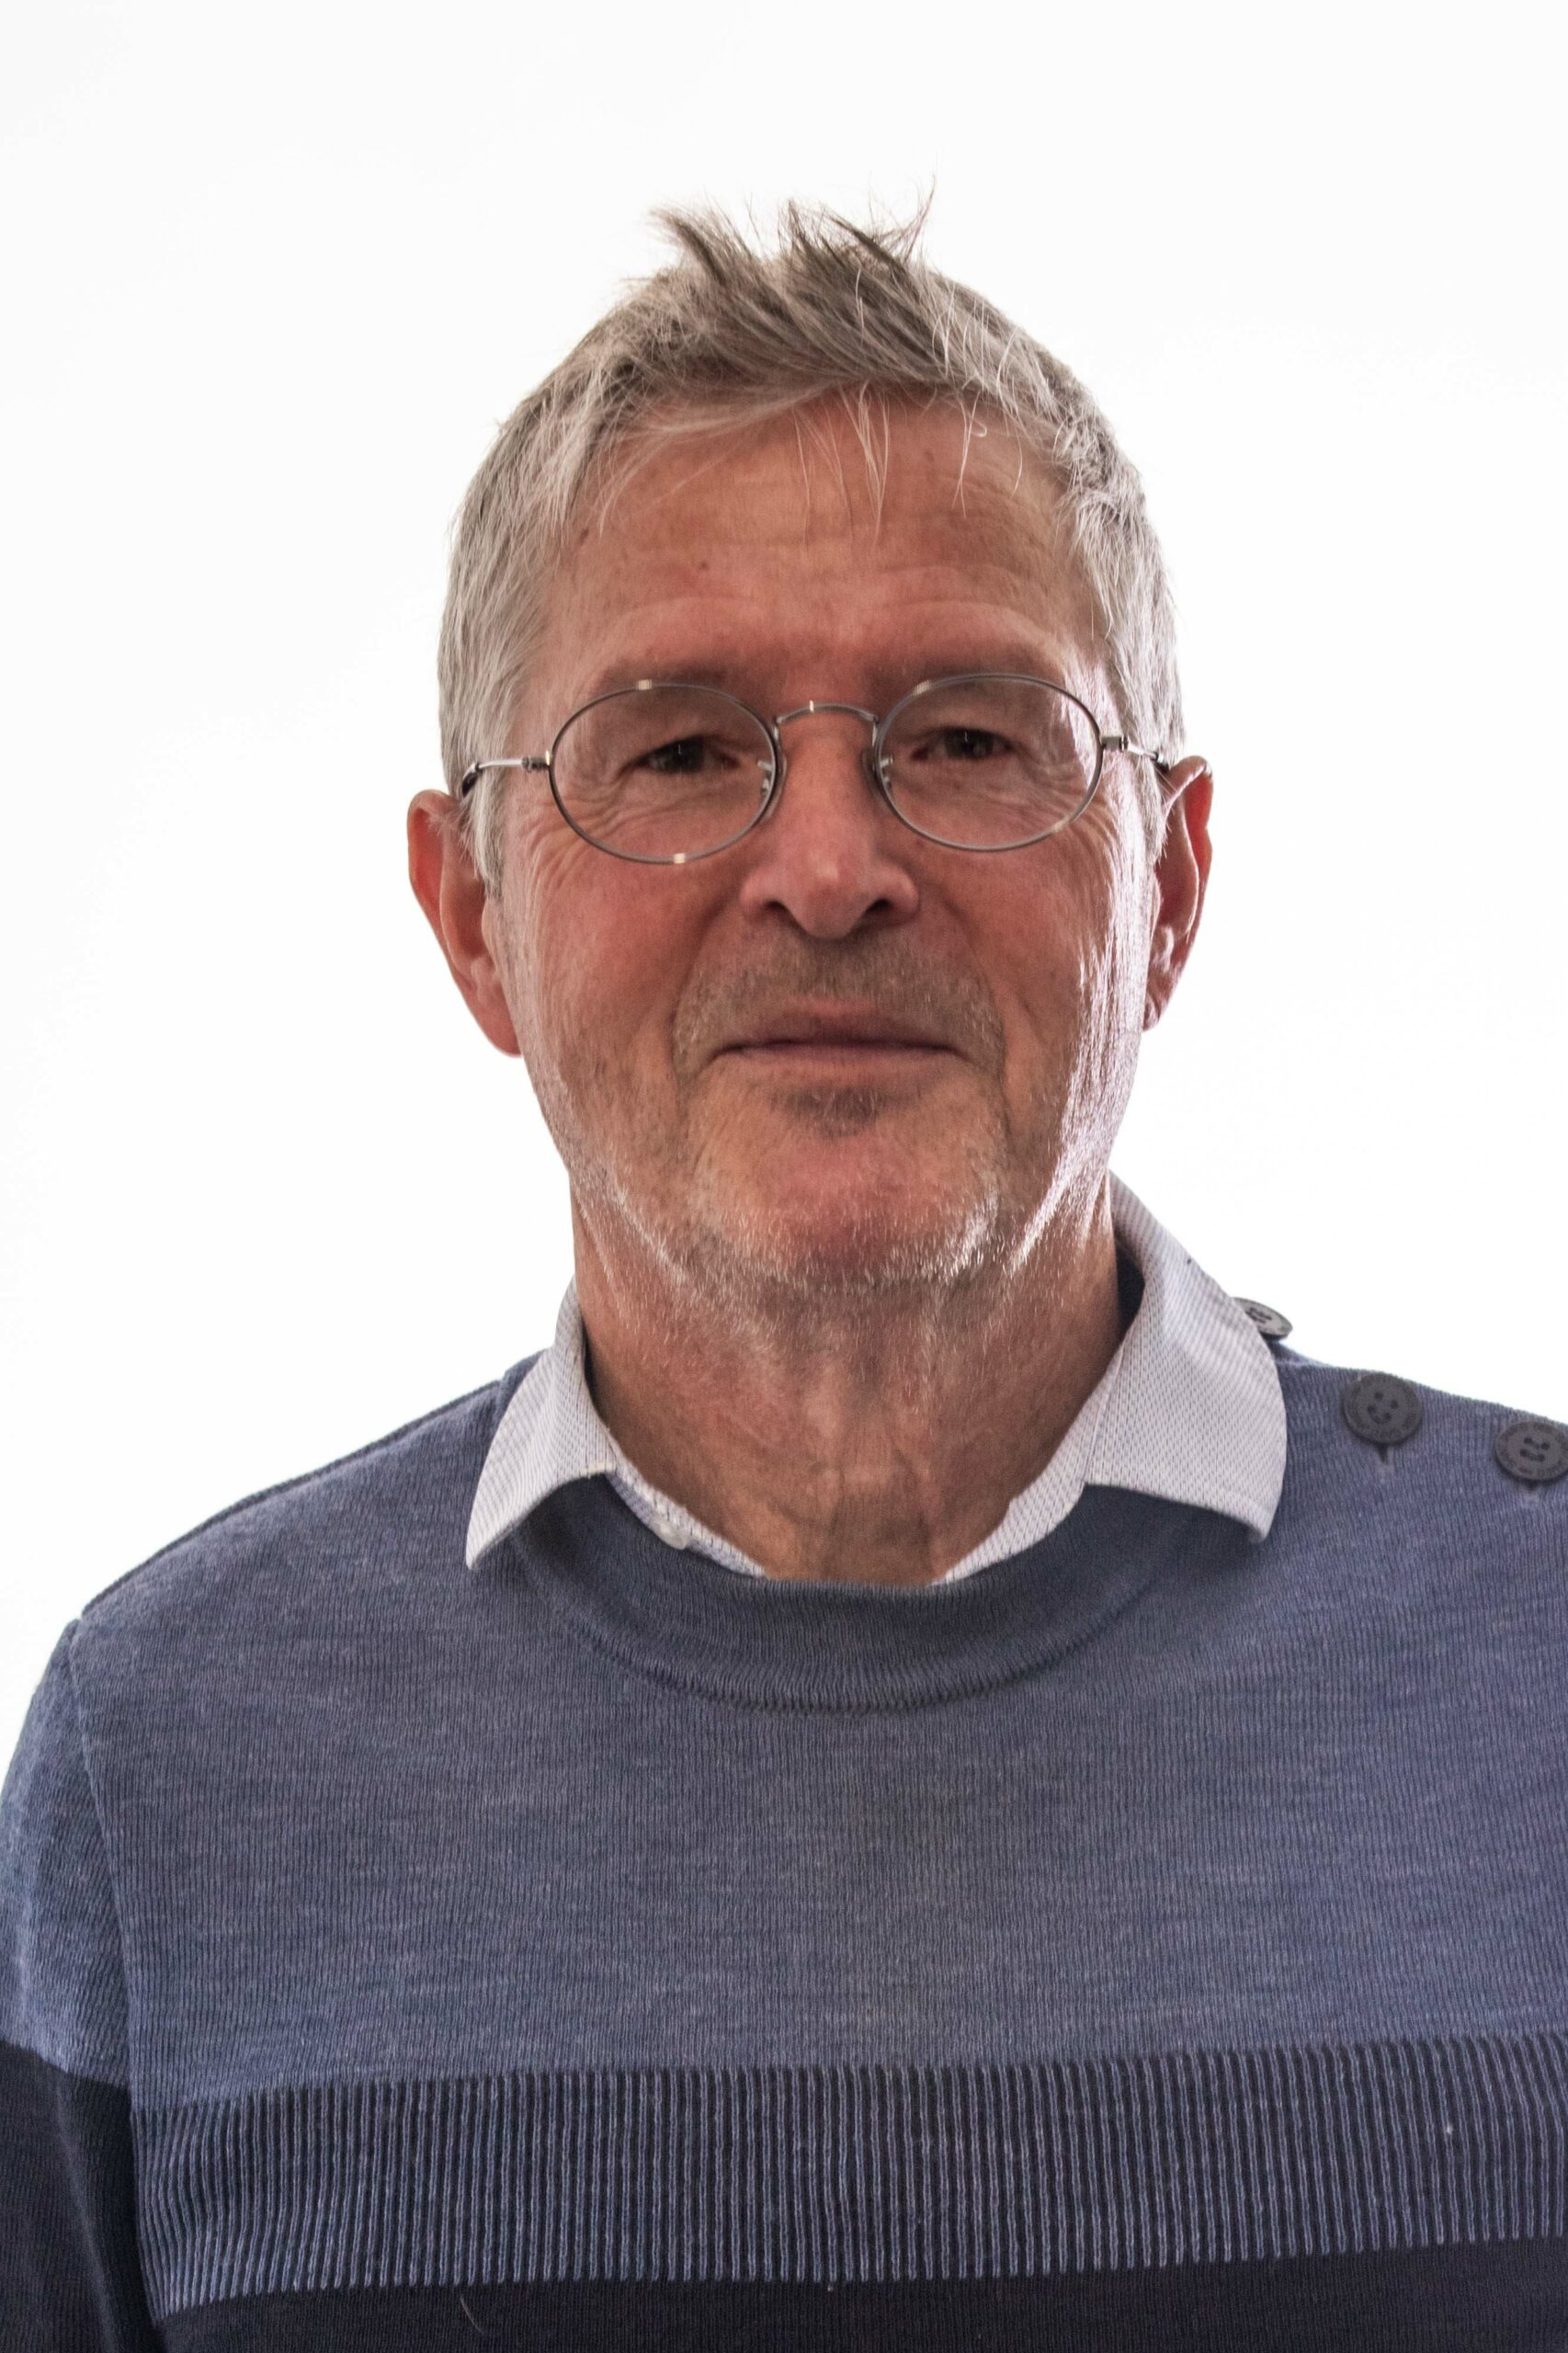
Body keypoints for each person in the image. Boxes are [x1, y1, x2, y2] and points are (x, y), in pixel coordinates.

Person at [4, 199, 1567, 2353]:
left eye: (970, 739)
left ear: (1170, 886)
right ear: (473, 918)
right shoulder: (167, 1767)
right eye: (673, 751)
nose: (829, 869)